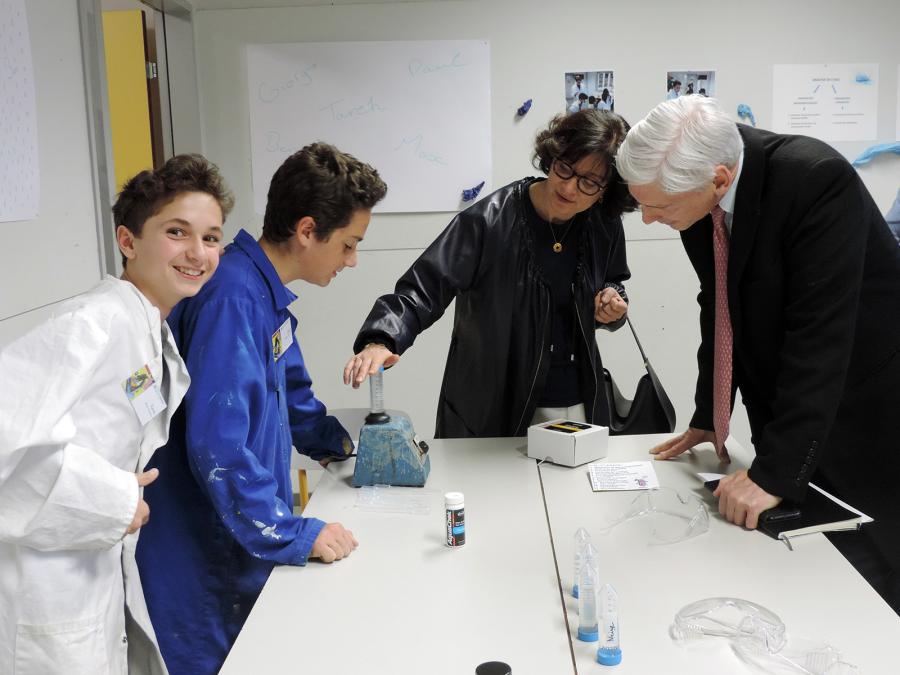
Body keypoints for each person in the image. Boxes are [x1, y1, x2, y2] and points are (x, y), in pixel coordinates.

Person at [617, 95, 900, 613]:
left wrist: (775, 471)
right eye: (642, 204)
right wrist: (709, 412)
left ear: (720, 180)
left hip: (864, 396)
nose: (650, 219)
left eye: (660, 206)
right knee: (793, 559)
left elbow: (820, 334)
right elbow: (720, 301)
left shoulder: (817, 179)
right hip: (797, 397)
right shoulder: (697, 188)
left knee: (868, 557)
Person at [136, 142, 386, 675]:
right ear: (306, 230)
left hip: (238, 533)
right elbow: (217, 446)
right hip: (204, 547)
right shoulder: (232, 298)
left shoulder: (261, 292)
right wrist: (293, 532)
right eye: (348, 244)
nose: (352, 260)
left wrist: (347, 451)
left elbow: (292, 394)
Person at [0, 154, 232, 674]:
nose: (198, 253)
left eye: (212, 237)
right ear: (128, 242)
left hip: (90, 568)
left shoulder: (146, 326)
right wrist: (112, 501)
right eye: (178, 232)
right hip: (47, 585)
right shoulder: (92, 324)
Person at [344, 109, 635, 437]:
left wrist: (613, 305)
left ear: (605, 192)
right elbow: (423, 287)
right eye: (565, 168)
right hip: (494, 406)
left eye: (589, 183)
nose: (569, 188)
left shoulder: (602, 224)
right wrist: (380, 338)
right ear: (552, 156)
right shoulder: (487, 221)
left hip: (577, 399)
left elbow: (613, 281)